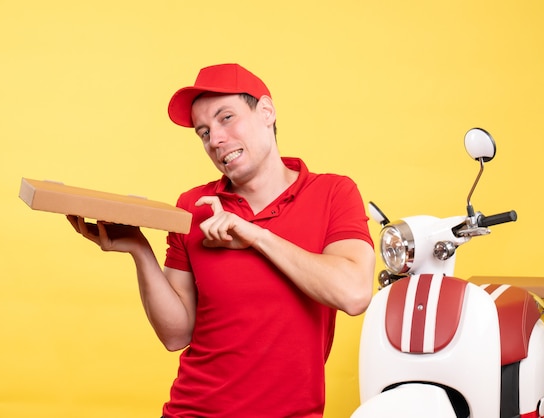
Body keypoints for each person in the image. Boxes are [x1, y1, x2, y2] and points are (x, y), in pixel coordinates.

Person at [67, 63, 375, 417]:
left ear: (266, 112)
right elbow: (176, 334)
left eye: (226, 118)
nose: (215, 140)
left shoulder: (333, 193)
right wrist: (139, 249)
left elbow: (353, 294)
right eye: (203, 132)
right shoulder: (194, 208)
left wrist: (256, 235)